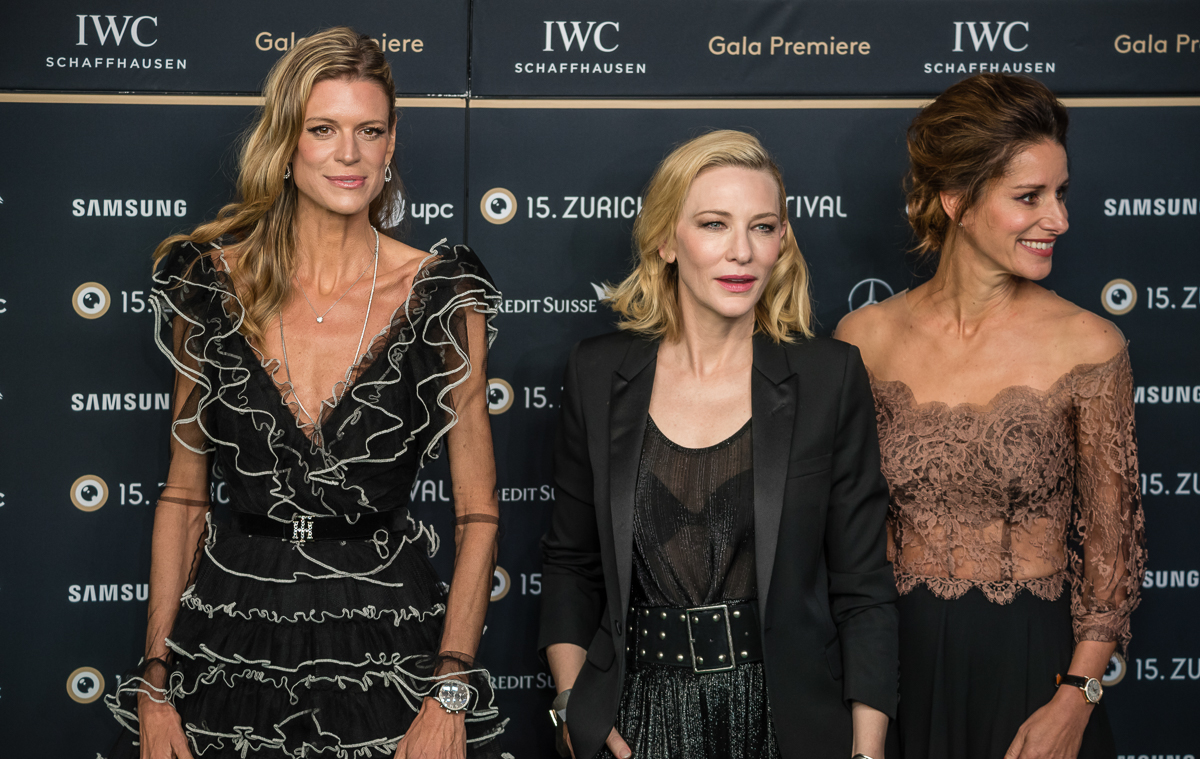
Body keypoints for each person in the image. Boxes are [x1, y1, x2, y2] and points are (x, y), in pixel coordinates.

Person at [104, 28, 506, 758]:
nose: (348, 153)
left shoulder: (443, 295)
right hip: (228, 640)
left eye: (369, 131)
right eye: (323, 129)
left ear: (391, 144)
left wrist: (450, 690)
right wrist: (156, 681)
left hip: (390, 645)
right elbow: (184, 498)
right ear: (286, 143)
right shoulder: (211, 287)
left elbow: (477, 514)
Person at [539, 130, 898, 759]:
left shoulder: (829, 377)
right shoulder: (596, 373)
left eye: (762, 227)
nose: (742, 252)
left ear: (782, 241)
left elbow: (863, 587)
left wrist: (865, 756)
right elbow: (572, 563)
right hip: (635, 719)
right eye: (714, 224)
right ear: (665, 240)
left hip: (782, 722)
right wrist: (574, 710)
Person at [836, 73, 1146, 759]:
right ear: (957, 200)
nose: (1058, 219)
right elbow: (843, 536)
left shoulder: (1089, 344)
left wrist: (1076, 699)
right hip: (892, 668)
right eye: (1029, 197)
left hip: (1033, 668)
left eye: (1061, 193)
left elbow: (1113, 558)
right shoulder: (863, 338)